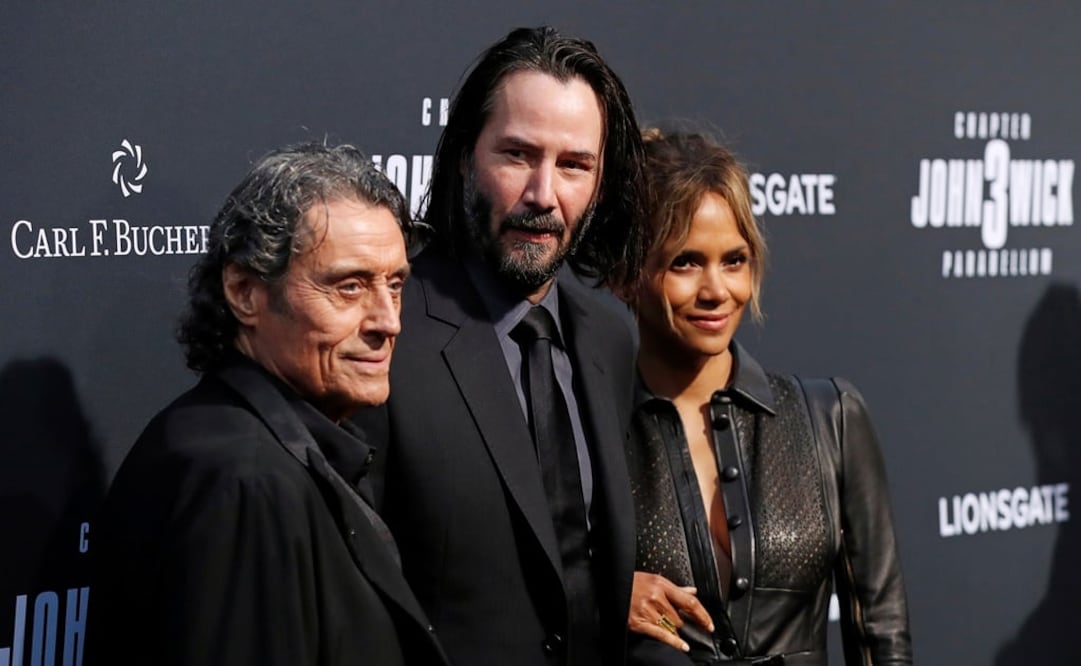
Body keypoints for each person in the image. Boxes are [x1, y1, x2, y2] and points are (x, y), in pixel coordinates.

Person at [86, 143, 447, 666]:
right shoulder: (242, 480)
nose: (387, 320)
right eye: (349, 287)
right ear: (245, 292)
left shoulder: (252, 444)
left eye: (394, 285)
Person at [363, 26, 647, 666]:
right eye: (518, 155)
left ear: (599, 183)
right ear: (465, 157)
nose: (544, 195)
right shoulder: (386, 332)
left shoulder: (610, 335)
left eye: (574, 165)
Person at [619, 129, 912, 665]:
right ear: (626, 275)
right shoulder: (592, 431)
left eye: (734, 260)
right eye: (685, 262)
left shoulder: (830, 420)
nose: (716, 290)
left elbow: (883, 637)